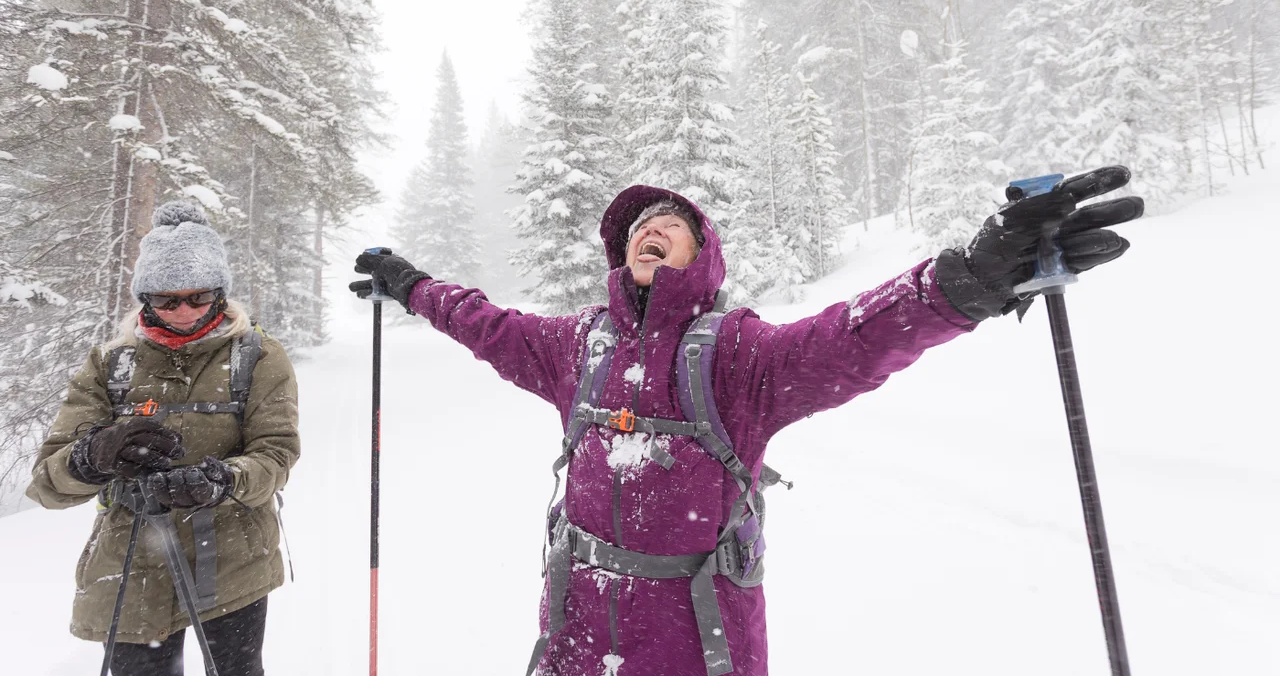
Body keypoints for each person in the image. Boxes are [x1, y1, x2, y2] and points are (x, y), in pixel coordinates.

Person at [351, 170, 1141, 676]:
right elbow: (482, 321)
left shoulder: (735, 356)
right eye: (636, 226)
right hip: (575, 644)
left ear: (703, 253)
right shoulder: (577, 344)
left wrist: (965, 281)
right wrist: (412, 284)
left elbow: (853, 336)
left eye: (669, 221)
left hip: (697, 650)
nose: (647, 227)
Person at [27, 201, 300, 676]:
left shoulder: (256, 356)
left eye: (198, 297)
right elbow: (48, 483)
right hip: (132, 558)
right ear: (145, 299)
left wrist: (224, 479)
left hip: (233, 555)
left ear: (220, 293)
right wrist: (93, 455)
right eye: (167, 300)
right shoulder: (112, 363)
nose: (183, 311)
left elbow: (276, 454)